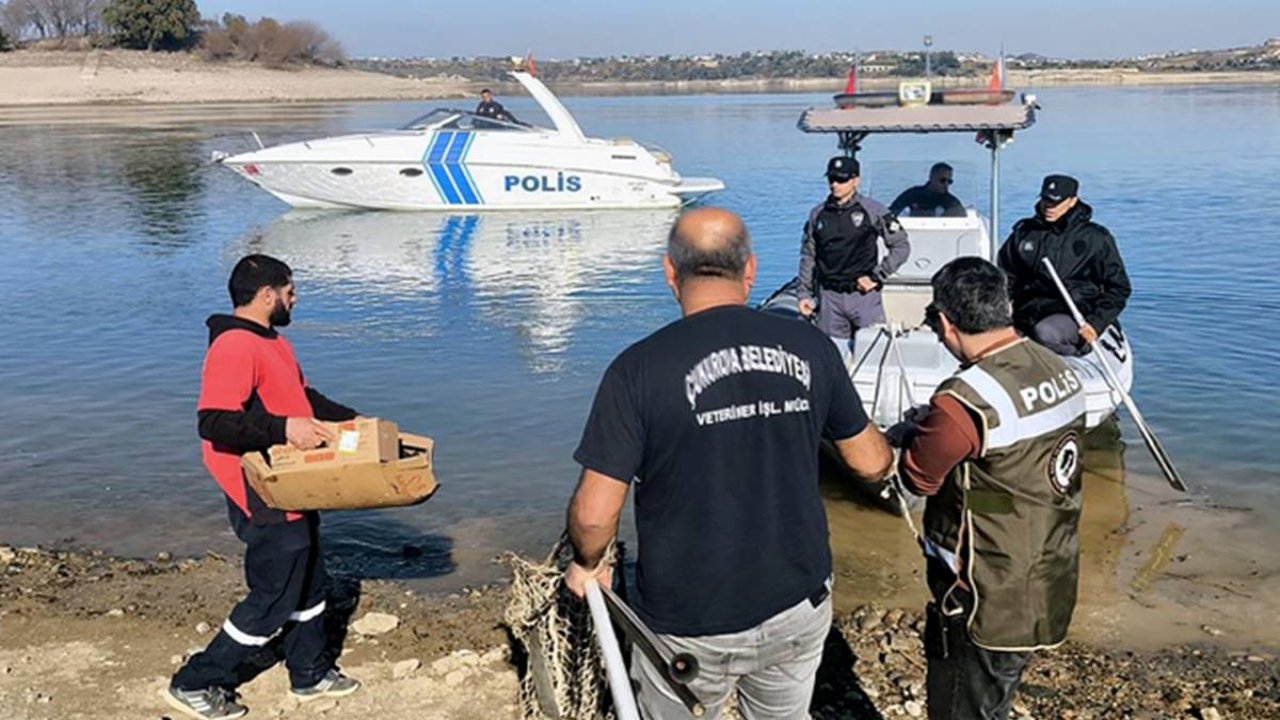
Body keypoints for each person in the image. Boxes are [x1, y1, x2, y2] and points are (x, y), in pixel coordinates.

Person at [564, 208, 893, 719]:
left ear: (670, 273)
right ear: (751, 271)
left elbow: (593, 515)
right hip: (795, 601)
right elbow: (871, 463)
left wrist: (587, 564)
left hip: (688, 617)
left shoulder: (637, 370)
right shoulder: (811, 346)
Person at [888, 257, 1087, 720]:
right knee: (996, 695)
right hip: (1048, 574)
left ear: (945, 322)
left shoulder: (966, 399)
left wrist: (916, 435)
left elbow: (917, 478)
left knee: (964, 704)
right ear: (1006, 307)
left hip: (983, 592)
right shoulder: (1058, 368)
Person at [166, 255, 361, 720]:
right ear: (268, 294)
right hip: (259, 488)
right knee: (274, 593)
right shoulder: (234, 345)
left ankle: (308, 672)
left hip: (294, 480)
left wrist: (357, 422)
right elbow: (213, 423)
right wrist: (283, 430)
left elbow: (303, 400)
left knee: (312, 576)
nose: (295, 298)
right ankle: (194, 682)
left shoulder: (273, 342)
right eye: (291, 290)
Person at [996, 174, 1131, 356]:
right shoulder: (1024, 233)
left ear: (1072, 201)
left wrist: (1096, 323)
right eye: (1045, 200)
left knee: (1045, 333)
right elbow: (1006, 278)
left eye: (1055, 203)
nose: (1048, 207)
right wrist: (1001, 311)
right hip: (1029, 310)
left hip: (1075, 313)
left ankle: (1074, 354)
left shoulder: (1095, 238)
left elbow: (1119, 288)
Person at [797, 156, 911, 339]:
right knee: (832, 357)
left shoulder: (873, 210)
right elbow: (808, 256)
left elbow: (901, 246)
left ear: (856, 181)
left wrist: (877, 276)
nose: (835, 184)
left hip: (863, 297)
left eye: (841, 179)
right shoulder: (818, 214)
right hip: (829, 298)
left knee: (872, 354)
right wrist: (804, 293)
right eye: (831, 179)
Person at [889, 162, 967, 218]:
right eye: (942, 180)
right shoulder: (913, 194)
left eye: (949, 182)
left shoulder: (952, 203)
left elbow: (963, 222)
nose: (946, 185)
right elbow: (892, 212)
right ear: (931, 177)